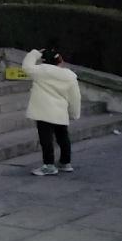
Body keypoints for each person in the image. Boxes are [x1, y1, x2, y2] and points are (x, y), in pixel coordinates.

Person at [23, 48, 81, 176]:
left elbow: (26, 66)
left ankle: (49, 165)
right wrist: (74, 113)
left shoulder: (40, 71)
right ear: (60, 61)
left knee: (46, 139)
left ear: (44, 61)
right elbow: (75, 97)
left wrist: (35, 53)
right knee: (63, 137)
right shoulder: (69, 76)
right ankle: (65, 162)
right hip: (60, 111)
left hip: (43, 110)